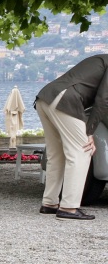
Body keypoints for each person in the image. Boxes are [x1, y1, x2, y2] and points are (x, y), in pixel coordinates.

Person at [34, 54, 108, 220]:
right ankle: (69, 208)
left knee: (56, 154)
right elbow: (103, 100)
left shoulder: (102, 59)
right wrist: (89, 132)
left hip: (45, 97)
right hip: (65, 99)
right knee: (82, 151)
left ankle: (49, 203)